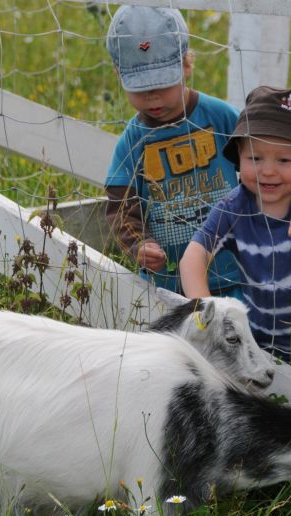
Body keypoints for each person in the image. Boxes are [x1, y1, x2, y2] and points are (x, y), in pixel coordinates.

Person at [180, 86, 291, 387]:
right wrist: (206, 311)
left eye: (283, 161)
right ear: (238, 157)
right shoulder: (234, 207)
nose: (267, 171)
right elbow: (195, 254)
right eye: (255, 157)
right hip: (262, 349)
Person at [104, 5, 242, 297]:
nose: (153, 97)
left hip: (233, 275)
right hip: (166, 286)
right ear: (118, 74)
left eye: (163, 84)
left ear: (187, 65)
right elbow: (121, 206)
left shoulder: (222, 118)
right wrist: (139, 245)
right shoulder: (133, 142)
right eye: (140, 89)